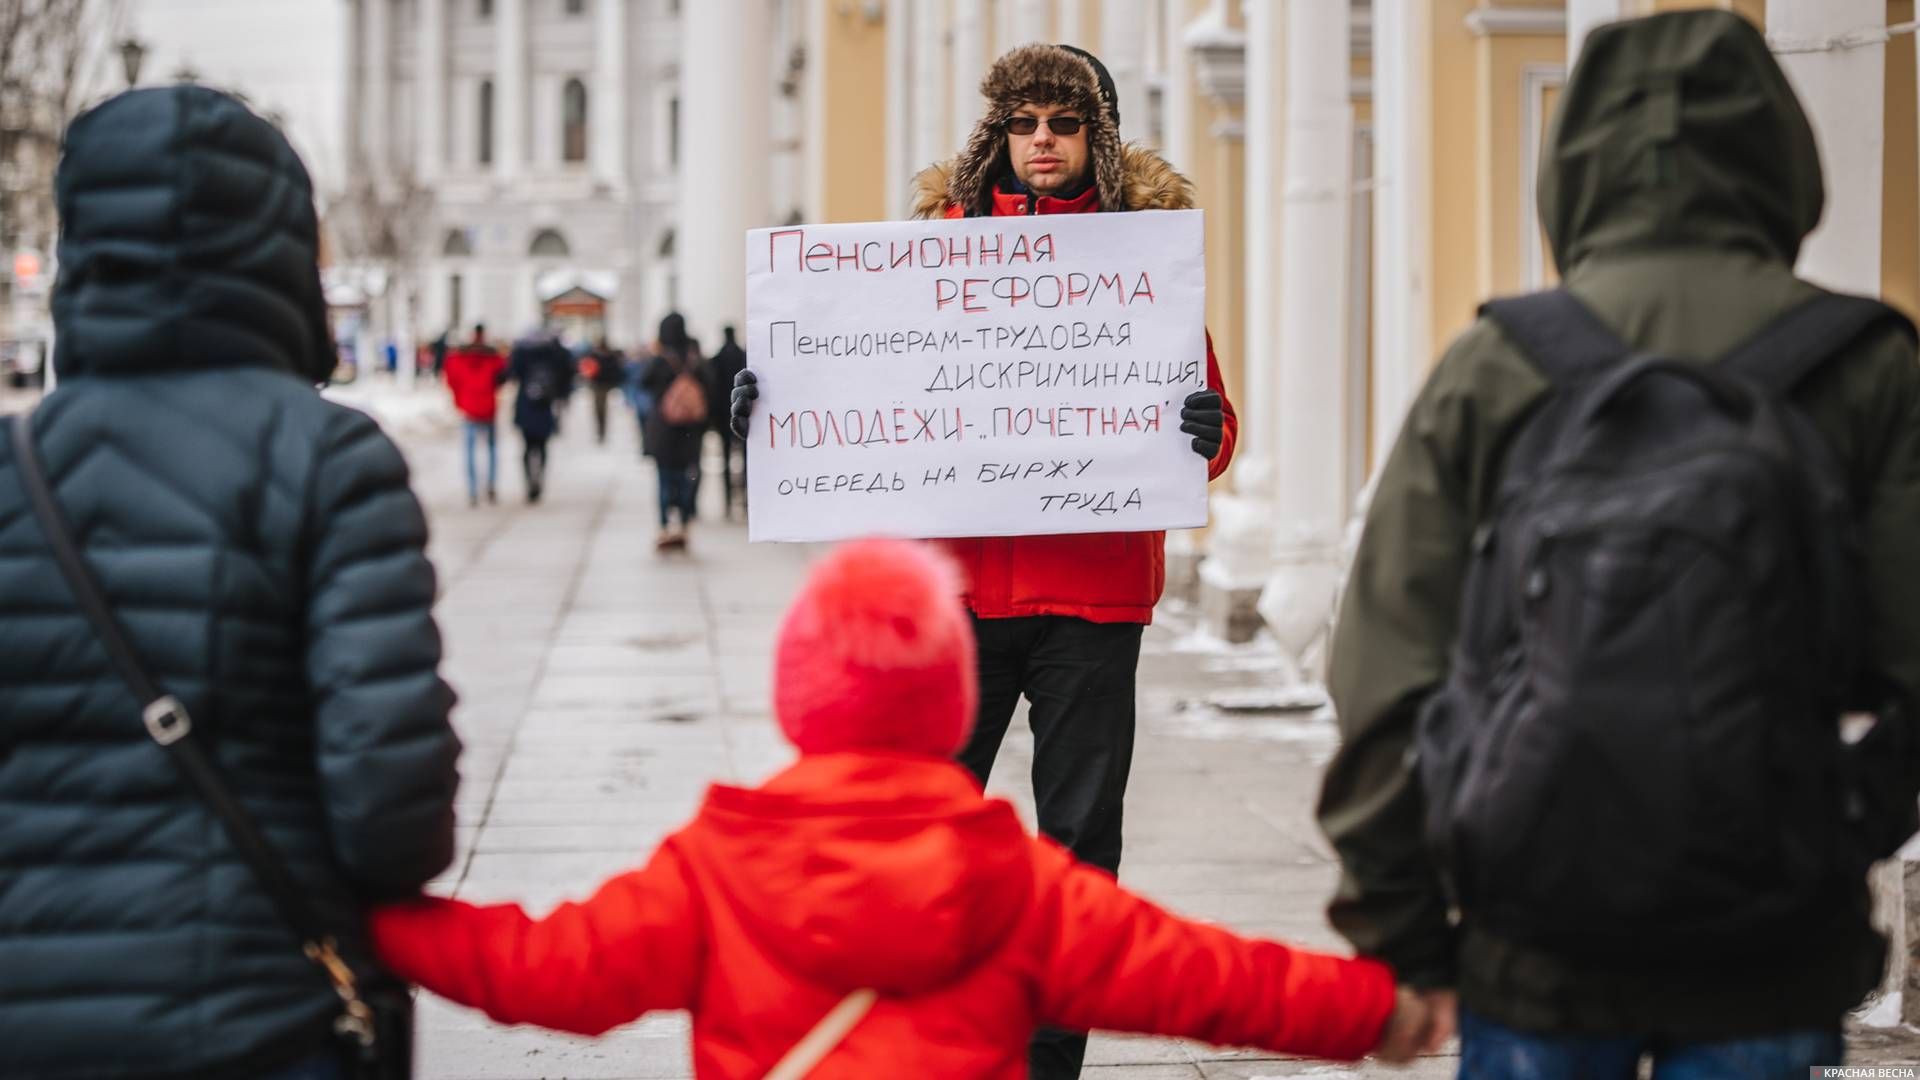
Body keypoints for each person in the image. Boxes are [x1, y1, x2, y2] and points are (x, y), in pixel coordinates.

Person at [1317, 12, 1920, 1078]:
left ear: (1572, 165)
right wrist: (1837, 829)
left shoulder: (1498, 364)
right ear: (1781, 156)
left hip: (1532, 936)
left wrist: (1403, 928)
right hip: (1767, 936)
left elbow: (1385, 665)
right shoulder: (1868, 364)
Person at [370, 538, 1440, 1078]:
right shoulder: (1021, 889)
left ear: (799, 696)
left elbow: (546, 970)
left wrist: (369, 918)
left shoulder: (716, 872)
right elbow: (1207, 978)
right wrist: (1376, 1011)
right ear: (947, 699)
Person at [732, 43, 1236, 1079]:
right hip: (957, 597)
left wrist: (1202, 425)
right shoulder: (936, 254)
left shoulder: (1139, 261)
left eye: (1063, 122)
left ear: (1096, 135)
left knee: (1078, 848)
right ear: (998, 135)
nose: (1043, 141)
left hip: (1093, 598)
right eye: (1025, 123)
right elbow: (854, 384)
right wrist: (771, 410)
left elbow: (1215, 429)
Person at [0, 85, 461, 1080]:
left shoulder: (13, 468)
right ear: (279, 248)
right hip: (264, 1020)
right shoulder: (330, 460)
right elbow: (392, 814)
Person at [641, 313, 709, 550]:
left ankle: (664, 526)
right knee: (686, 476)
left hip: (664, 429)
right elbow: (710, 385)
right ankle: (684, 522)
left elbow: (643, 382)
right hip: (690, 430)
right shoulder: (694, 356)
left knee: (663, 478)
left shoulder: (660, 358)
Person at [509, 325, 574, 503]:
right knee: (542, 446)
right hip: (544, 404)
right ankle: (539, 477)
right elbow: (565, 372)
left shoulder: (522, 351)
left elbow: (512, 373)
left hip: (526, 404)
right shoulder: (552, 351)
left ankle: (530, 479)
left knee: (527, 447)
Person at [445, 323, 506, 506]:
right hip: (488, 407)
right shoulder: (492, 356)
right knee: (491, 449)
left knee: (470, 451)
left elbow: (452, 377)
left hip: (469, 407)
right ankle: (491, 484)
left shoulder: (460, 357)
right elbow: (502, 376)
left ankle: (472, 490)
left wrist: (459, 400)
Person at [707, 325, 749, 518]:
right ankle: (747, 497)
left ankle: (728, 500)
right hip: (745, 415)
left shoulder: (716, 360)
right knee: (747, 459)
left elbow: (712, 392)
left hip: (724, 416)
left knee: (725, 459)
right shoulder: (744, 357)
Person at [582, 335, 628, 445]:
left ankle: (602, 431)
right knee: (599, 409)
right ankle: (601, 430)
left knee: (601, 409)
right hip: (599, 385)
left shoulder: (605, 356)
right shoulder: (599, 356)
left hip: (603, 385)